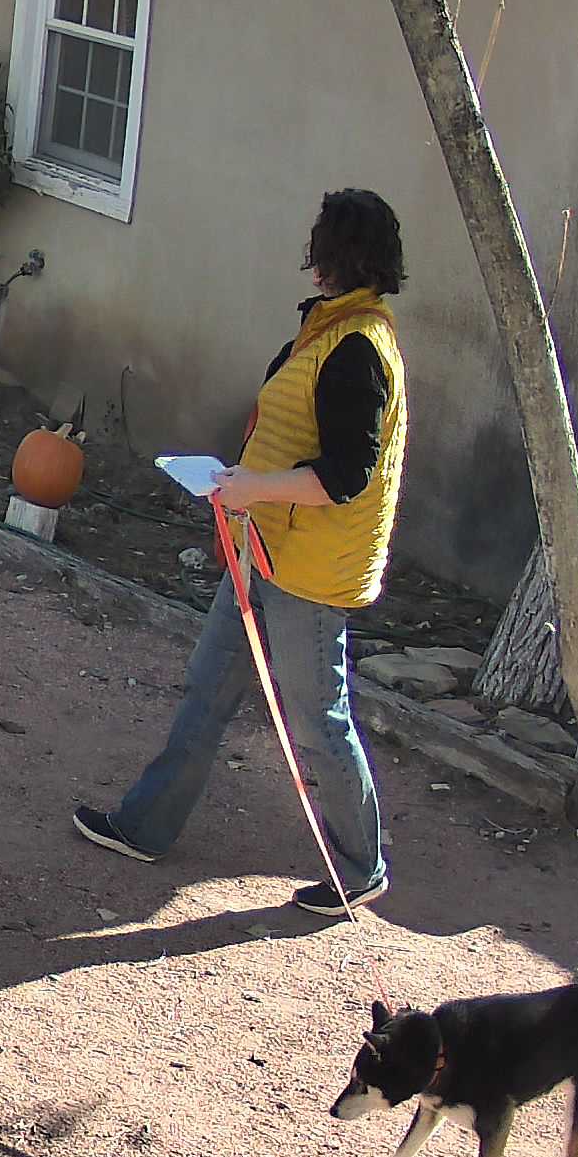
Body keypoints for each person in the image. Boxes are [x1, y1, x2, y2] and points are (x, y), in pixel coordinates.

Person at [73, 189, 409, 914]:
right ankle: (145, 825)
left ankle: (361, 868)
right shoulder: (330, 332)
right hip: (262, 549)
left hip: (306, 573)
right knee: (208, 689)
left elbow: (345, 476)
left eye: (322, 247)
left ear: (341, 256)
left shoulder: (356, 348)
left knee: (318, 725)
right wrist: (243, 488)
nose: (313, 261)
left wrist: (251, 486)